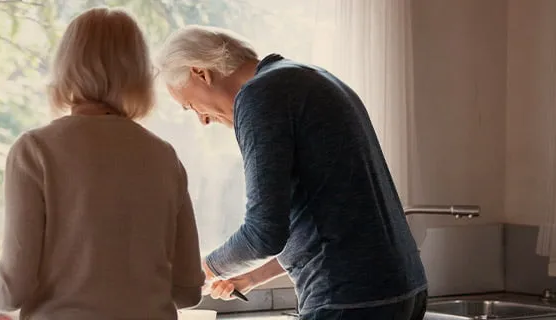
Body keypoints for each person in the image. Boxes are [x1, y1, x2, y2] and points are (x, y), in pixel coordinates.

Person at [155, 25, 428, 320]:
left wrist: (199, 270)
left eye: (191, 105)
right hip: (402, 291)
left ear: (201, 73)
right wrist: (251, 278)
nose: (202, 120)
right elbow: (327, 220)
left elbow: (264, 233)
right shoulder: (308, 78)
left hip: (347, 300)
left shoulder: (259, 96)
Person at [0, 8, 205, 320]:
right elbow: (188, 291)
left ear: (65, 66)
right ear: (138, 71)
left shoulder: (34, 151)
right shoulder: (164, 157)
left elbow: (13, 288)